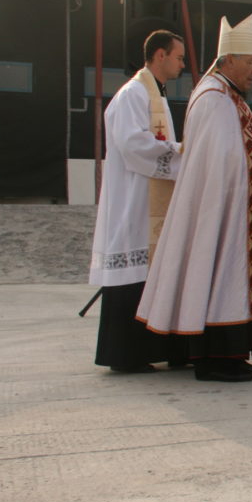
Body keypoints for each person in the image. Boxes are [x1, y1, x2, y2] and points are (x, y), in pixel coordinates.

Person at [136, 15, 252, 382]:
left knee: (230, 276)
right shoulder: (214, 98)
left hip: (235, 207)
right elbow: (225, 157)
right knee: (220, 273)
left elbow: (235, 146)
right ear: (228, 59)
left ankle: (233, 352)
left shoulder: (227, 95)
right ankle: (215, 357)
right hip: (219, 210)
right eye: (251, 64)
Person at [89, 30, 185, 373]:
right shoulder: (133, 94)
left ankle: (145, 350)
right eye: (178, 57)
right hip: (134, 204)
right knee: (133, 278)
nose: (182, 64)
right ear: (160, 55)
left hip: (150, 203)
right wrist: (181, 153)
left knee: (149, 276)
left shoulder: (153, 95)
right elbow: (134, 145)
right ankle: (126, 355)